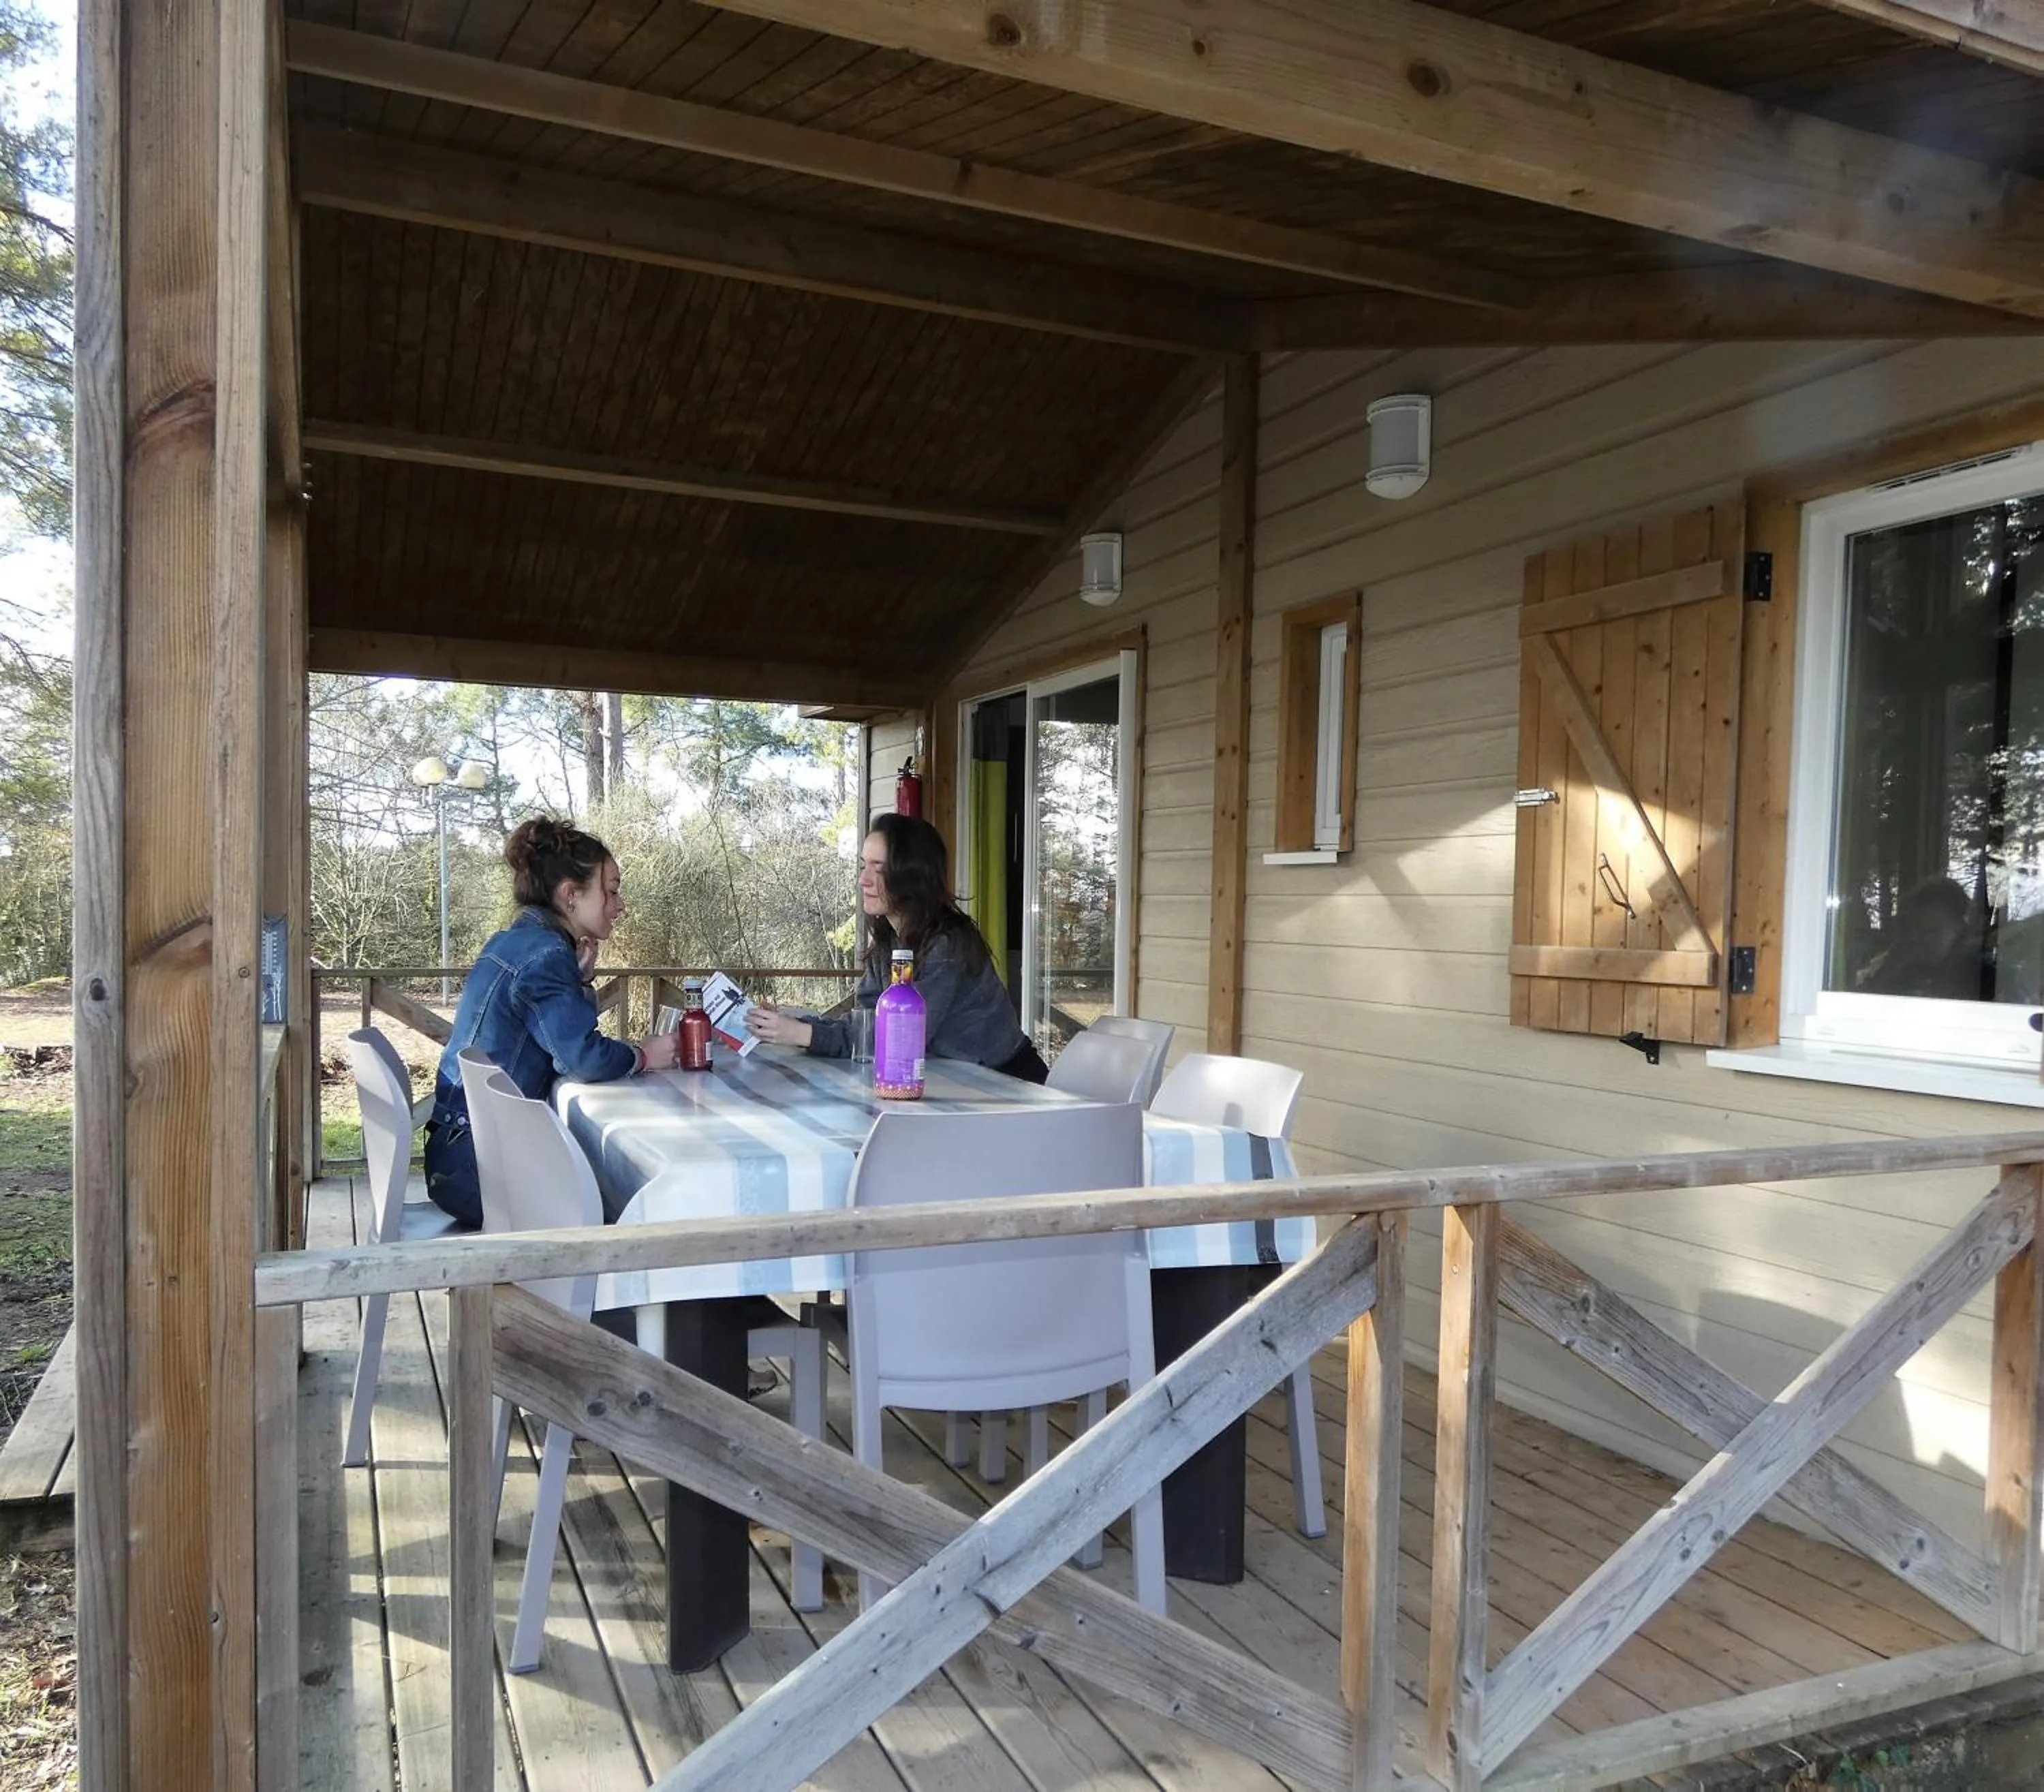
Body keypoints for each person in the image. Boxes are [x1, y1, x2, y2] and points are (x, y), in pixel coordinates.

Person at [422, 816, 679, 1226]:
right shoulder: (544, 956)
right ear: (571, 895)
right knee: (632, 1205)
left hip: (458, 1155)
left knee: (617, 1196)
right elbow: (582, 1060)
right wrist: (644, 1055)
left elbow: (545, 1034)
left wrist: (578, 982)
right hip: (483, 1172)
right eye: (611, 891)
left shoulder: (513, 942)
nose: (621, 906)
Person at [747, 812, 1049, 1083]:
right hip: (954, 1082)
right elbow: (867, 1021)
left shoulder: (946, 944)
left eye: (878, 868)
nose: (863, 879)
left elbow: (899, 1039)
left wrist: (802, 1034)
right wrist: (791, 1024)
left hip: (1008, 1082)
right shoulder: (889, 943)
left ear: (911, 876)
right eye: (863, 865)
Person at [1854, 876, 1983, 1002]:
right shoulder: (1907, 970)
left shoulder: (1978, 977)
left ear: (1958, 927)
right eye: (1914, 930)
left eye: (1931, 931)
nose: (1919, 939)